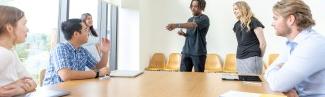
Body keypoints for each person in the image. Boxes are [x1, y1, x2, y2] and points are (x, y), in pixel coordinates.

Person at [264, 0, 325, 97]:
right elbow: (271, 73)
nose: (272, 23)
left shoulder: (312, 45)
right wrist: (284, 84)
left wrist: (279, 78)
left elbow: (277, 83)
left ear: (290, 20)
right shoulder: (293, 43)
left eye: (275, 18)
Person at [43, 19, 110, 86]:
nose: (88, 33)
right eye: (85, 30)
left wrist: (105, 53)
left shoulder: (82, 51)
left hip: (72, 89)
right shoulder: (60, 48)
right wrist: (98, 73)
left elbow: (99, 68)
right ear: (76, 34)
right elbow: (66, 75)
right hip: (54, 91)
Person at [0, 5, 37, 96]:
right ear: (9, 28)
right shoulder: (3, 53)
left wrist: (21, 89)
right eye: (24, 24)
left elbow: (32, 82)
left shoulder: (10, 51)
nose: (27, 29)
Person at [165, 0, 209, 72]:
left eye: (195, 6)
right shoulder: (190, 19)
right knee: (184, 77)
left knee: (199, 79)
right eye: (192, 6)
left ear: (202, 7)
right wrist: (184, 34)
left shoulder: (204, 18)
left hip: (198, 53)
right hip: (186, 51)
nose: (193, 8)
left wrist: (176, 25)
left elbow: (193, 25)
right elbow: (191, 34)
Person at [232, 1, 266, 75]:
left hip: (252, 57)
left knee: (253, 84)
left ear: (243, 9)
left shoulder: (254, 21)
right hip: (239, 57)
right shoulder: (236, 25)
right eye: (233, 9)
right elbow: (241, 43)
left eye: (236, 9)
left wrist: (259, 56)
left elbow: (263, 43)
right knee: (242, 84)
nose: (234, 11)